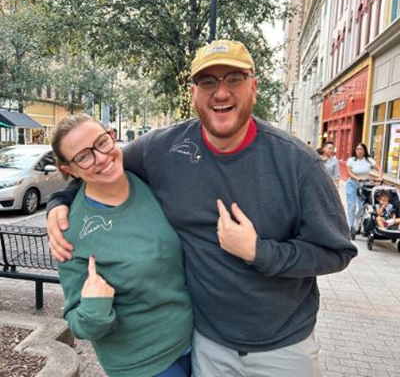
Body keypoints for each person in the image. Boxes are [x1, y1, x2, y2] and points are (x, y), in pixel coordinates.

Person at [47, 40, 357, 377]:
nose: (220, 93)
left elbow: (335, 252)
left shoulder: (298, 163)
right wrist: (59, 202)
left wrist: (259, 252)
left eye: (233, 79)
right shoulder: (162, 149)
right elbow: (100, 165)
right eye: (208, 82)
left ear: (253, 86)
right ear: (193, 92)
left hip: (283, 348)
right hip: (207, 344)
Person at [51, 114, 192, 377]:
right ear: (70, 170)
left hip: (192, 339)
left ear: (112, 136)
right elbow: (77, 322)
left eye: (101, 142)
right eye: (84, 156)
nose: (101, 157)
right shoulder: (71, 232)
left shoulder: (145, 179)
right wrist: (94, 308)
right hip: (142, 363)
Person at [346, 142, 383, 237]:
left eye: (361, 149)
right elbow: (349, 172)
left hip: (364, 185)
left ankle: (357, 222)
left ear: (364, 151)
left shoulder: (369, 160)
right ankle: (351, 227)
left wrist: (380, 177)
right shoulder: (351, 160)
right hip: (352, 184)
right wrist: (357, 178)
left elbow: (379, 168)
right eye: (357, 149)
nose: (359, 151)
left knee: (362, 207)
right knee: (351, 206)